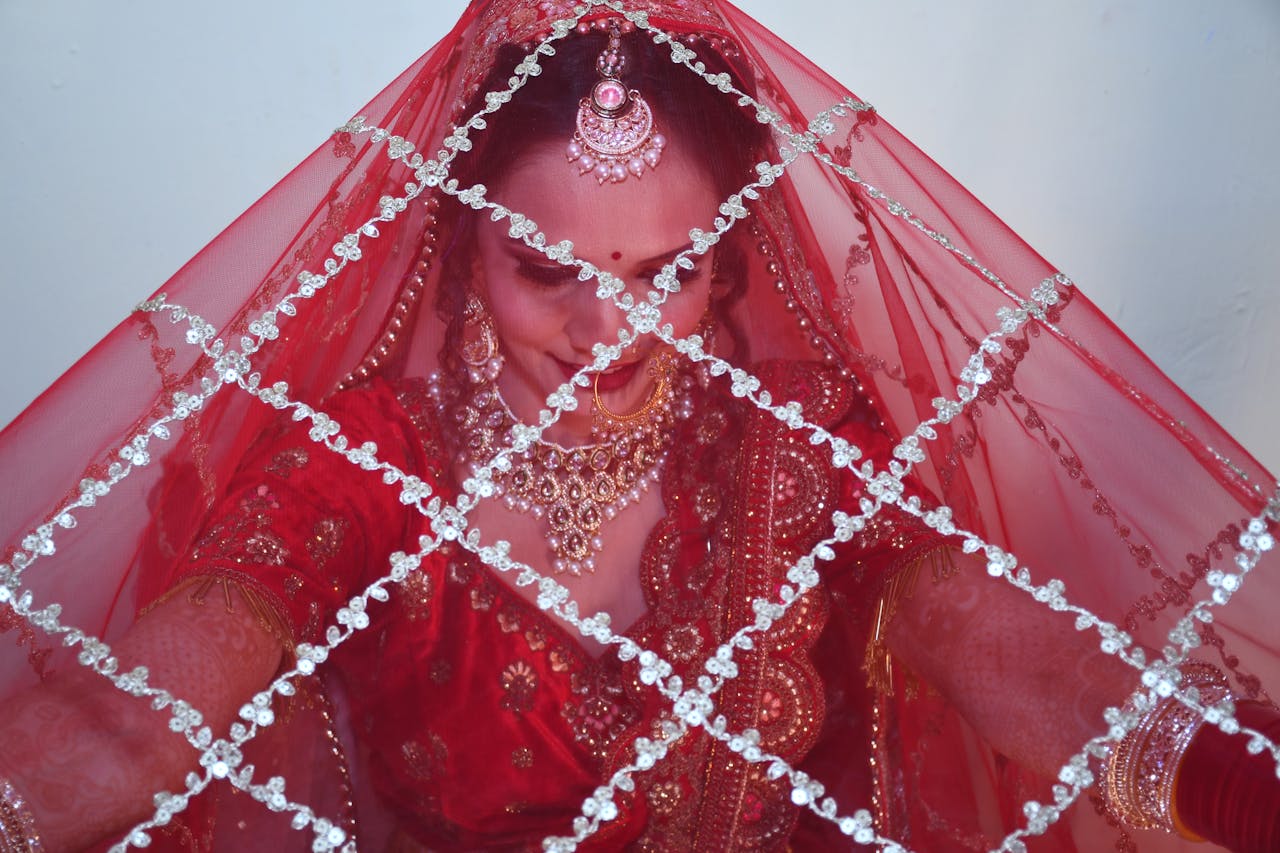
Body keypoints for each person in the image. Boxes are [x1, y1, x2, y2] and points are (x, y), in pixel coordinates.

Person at [0, 1, 1277, 850]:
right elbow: (130, 720)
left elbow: (1012, 656)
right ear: (462, 246)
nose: (606, 333)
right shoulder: (360, 465)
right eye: (546, 270)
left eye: (666, 269)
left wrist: (1235, 781)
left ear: (728, 263)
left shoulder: (794, 447)